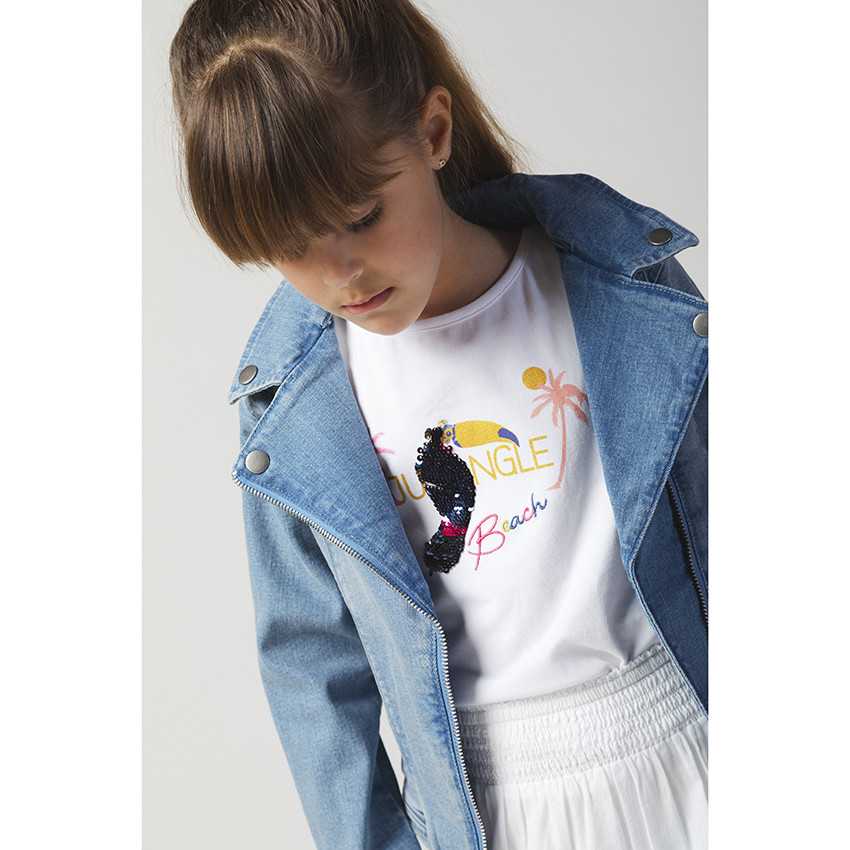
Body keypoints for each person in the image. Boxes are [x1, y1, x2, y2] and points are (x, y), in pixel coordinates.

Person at [169, 1, 708, 847]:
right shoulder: (292, 413)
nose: (340, 273)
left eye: (360, 218)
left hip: (694, 745)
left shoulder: (622, 283)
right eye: (289, 245)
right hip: (492, 814)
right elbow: (314, 677)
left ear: (433, 132)